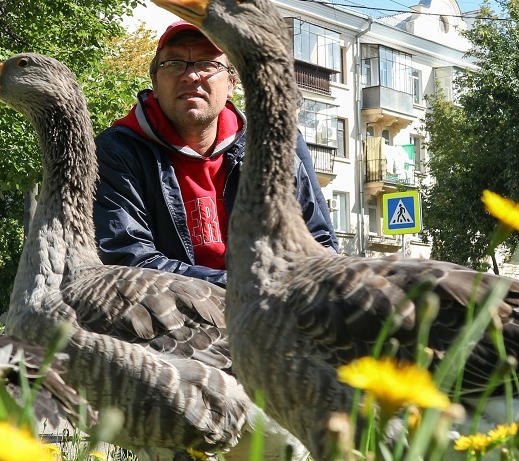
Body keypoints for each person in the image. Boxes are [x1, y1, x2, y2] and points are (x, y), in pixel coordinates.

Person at [94, 19, 339, 286]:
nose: (190, 75)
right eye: (174, 64)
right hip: (171, 317)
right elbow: (129, 259)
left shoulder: (271, 153)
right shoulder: (117, 152)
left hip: (274, 313)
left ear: (232, 81)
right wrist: (243, 287)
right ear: (154, 80)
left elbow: (319, 243)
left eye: (207, 64)